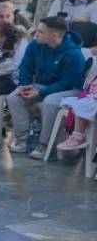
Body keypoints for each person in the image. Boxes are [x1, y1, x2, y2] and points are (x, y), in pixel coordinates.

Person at [7, 16, 85, 158]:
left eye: (40, 32)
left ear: (54, 36)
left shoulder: (74, 54)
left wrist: (39, 92)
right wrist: (25, 85)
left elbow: (67, 82)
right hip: (43, 86)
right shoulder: (35, 45)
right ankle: (22, 140)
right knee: (14, 97)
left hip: (69, 90)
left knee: (49, 102)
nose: (36, 34)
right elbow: (25, 66)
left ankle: (44, 144)